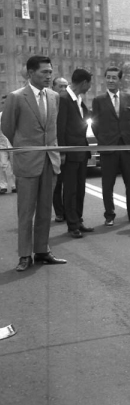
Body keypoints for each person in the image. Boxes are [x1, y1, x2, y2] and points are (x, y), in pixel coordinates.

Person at [1, 56, 66, 272]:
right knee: (26, 211)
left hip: (49, 160)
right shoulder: (16, 97)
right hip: (28, 162)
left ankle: (42, 250)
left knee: (46, 209)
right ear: (30, 73)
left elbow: (52, 128)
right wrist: (25, 148)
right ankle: (24, 255)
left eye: (50, 72)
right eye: (44, 72)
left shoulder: (54, 96)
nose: (49, 76)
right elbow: (8, 128)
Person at [91, 67, 130, 226]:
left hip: (127, 146)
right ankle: (109, 215)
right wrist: (104, 139)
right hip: (108, 147)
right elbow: (95, 124)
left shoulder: (129, 98)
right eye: (108, 77)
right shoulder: (98, 100)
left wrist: (129, 138)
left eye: (114, 78)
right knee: (108, 183)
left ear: (119, 80)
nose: (110, 80)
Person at [56, 68, 94, 239]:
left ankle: (78, 220)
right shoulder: (64, 99)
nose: (90, 87)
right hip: (70, 153)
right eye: (89, 84)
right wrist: (62, 152)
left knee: (80, 189)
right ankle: (72, 225)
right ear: (84, 83)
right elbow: (60, 127)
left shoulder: (78, 99)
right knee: (70, 190)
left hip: (81, 152)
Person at [51, 77, 69, 222]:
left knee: (68, 183)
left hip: (68, 147)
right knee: (56, 184)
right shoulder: (50, 102)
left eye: (65, 86)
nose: (63, 89)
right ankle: (59, 212)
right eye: (60, 86)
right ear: (53, 87)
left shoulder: (69, 101)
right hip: (53, 149)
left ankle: (68, 211)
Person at [0, 96, 17, 195]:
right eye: (2, 103)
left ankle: (15, 185)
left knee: (15, 165)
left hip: (14, 144)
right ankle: (3, 186)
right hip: (2, 145)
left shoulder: (14, 116)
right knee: (3, 165)